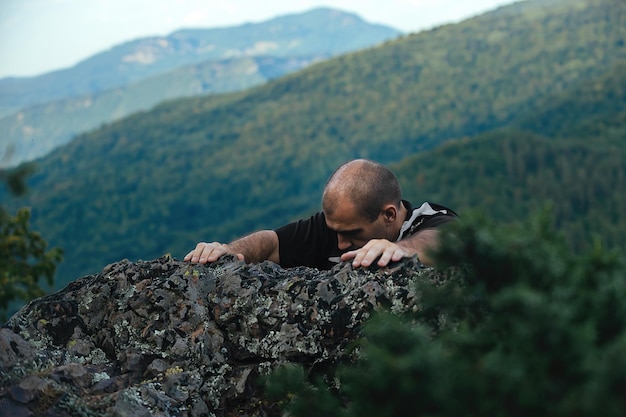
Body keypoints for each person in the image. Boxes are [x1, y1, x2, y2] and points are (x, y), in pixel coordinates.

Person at [184, 159, 457, 269]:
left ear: (388, 215)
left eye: (352, 234)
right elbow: (272, 242)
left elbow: (442, 239)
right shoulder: (337, 225)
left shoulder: (431, 218)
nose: (339, 243)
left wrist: (400, 249)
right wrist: (229, 252)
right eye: (335, 230)